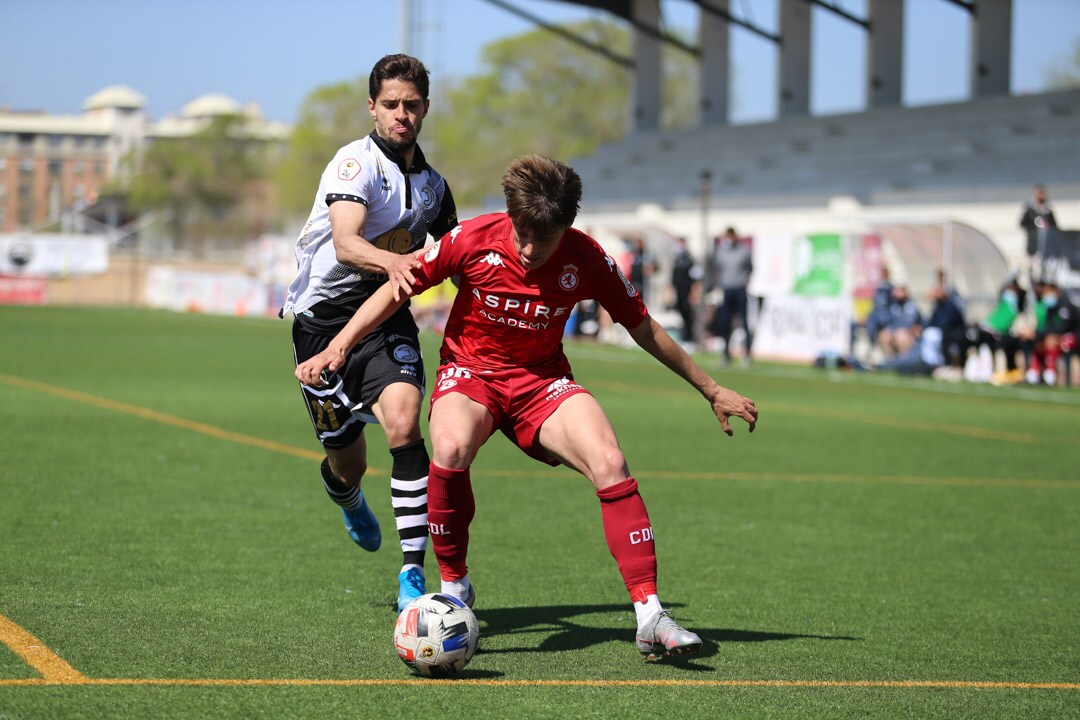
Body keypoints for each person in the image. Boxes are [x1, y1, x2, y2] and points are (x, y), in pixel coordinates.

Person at [296, 155, 759, 661]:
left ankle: (650, 616)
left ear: (568, 226)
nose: (531, 249)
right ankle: (455, 588)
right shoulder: (472, 238)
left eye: (547, 238)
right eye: (523, 234)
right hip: (470, 375)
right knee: (448, 447)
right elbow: (396, 288)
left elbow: (641, 325)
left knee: (610, 461)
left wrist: (711, 389)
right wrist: (339, 346)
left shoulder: (587, 258)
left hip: (543, 382)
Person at [279, 54, 458, 613]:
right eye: (390, 104)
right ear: (372, 107)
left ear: (425, 107)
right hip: (322, 323)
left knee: (404, 422)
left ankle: (411, 574)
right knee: (347, 460)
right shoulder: (353, 165)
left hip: (387, 317)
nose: (401, 115)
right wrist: (399, 264)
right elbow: (347, 245)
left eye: (411, 104)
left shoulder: (434, 187)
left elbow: (459, 255)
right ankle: (345, 493)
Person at [708, 227, 754, 366]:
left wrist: (744, 280)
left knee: (743, 322)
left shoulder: (743, 251)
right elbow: (715, 268)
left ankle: (747, 353)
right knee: (725, 322)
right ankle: (726, 354)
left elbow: (750, 268)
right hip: (726, 290)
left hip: (739, 289)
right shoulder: (720, 252)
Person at [1023, 278, 1077, 386]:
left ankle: (1050, 373)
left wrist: (1039, 334)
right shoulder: (1050, 308)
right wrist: (1034, 334)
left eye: (1048, 292)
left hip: (1073, 337)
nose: (1045, 296)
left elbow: (1062, 328)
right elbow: (1049, 327)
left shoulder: (1066, 306)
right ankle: (1034, 371)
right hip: (1056, 338)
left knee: (1051, 341)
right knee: (1040, 343)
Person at [670, 236, 702, 345]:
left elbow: (696, 277)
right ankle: (685, 337)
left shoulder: (689, 258)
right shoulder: (677, 258)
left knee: (688, 315)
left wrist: (694, 293)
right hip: (679, 292)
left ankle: (689, 338)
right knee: (682, 314)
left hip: (687, 291)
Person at [1020, 184, 1057, 259]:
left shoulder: (1048, 211)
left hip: (1046, 243)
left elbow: (1054, 225)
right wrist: (1034, 228)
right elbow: (1023, 224)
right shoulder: (1030, 211)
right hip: (1033, 241)